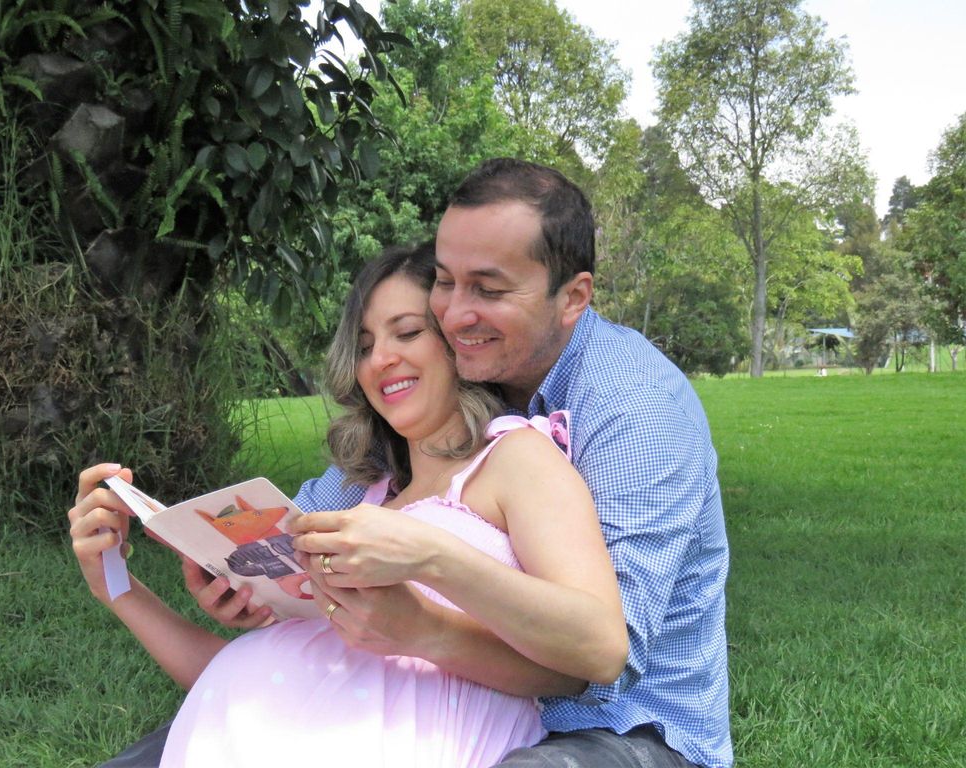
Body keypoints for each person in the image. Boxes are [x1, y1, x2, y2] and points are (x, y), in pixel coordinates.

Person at [105, 157, 733, 768]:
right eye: (445, 283)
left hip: (630, 728)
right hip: (389, 704)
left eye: (487, 289)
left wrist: (423, 597)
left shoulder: (632, 409)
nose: (457, 316)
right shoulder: (415, 434)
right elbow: (306, 528)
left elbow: (604, 659)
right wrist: (242, 581)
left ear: (573, 298)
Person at [69, 243, 627, 767]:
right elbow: (287, 677)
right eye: (363, 346)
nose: (380, 359)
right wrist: (117, 588)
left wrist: (430, 565)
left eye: (406, 332)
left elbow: (599, 646)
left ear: (459, 341)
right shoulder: (372, 501)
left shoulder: (513, 458)